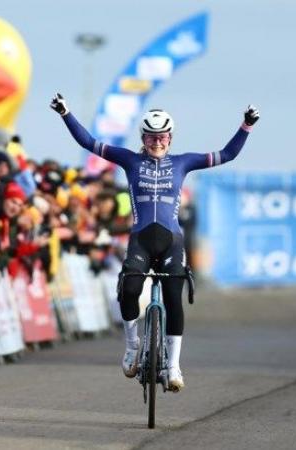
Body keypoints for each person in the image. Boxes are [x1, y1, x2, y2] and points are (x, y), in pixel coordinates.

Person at [51, 93, 260, 391]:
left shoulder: (184, 162)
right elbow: (89, 142)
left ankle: (174, 366)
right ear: (143, 138)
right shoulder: (129, 159)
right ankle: (133, 346)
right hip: (141, 240)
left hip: (172, 241)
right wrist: (65, 113)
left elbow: (227, 155)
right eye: (151, 137)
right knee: (130, 290)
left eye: (162, 137)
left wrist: (246, 125)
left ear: (170, 138)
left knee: (174, 300)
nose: (157, 142)